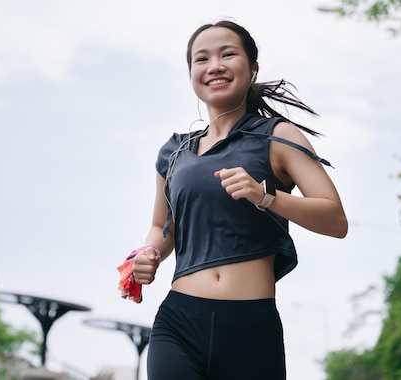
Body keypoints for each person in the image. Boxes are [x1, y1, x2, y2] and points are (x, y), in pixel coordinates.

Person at [122, 19, 348, 380]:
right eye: (202, 59)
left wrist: (266, 197)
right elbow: (160, 227)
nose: (215, 66)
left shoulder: (278, 137)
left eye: (228, 54)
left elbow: (336, 220)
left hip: (250, 328)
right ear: (192, 73)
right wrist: (147, 255)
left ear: (253, 68)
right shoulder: (174, 152)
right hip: (178, 322)